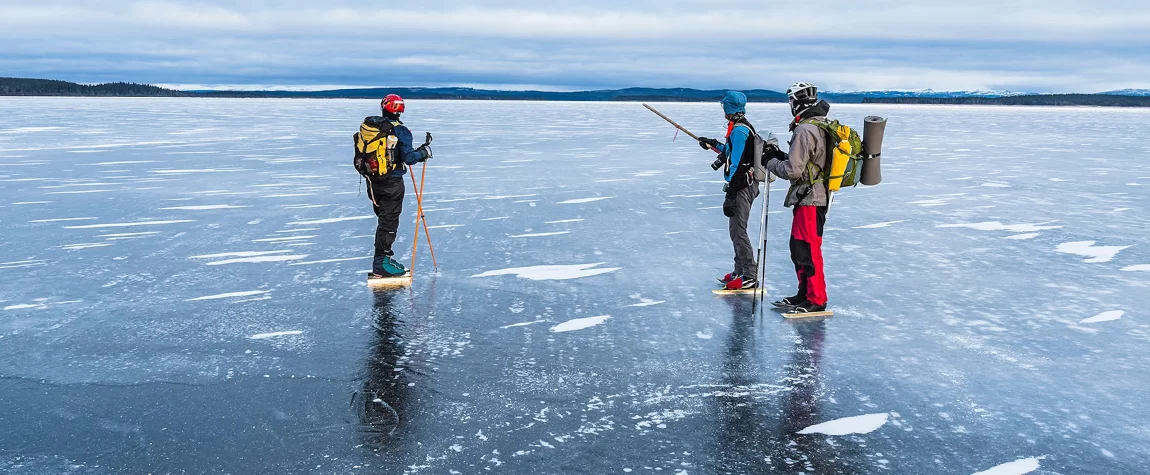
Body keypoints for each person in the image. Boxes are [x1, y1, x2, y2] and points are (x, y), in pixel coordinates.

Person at [763, 82, 831, 313]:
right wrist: (778, 155)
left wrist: (769, 161)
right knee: (799, 247)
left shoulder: (805, 129)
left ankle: (816, 299)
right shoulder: (818, 125)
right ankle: (805, 294)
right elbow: (805, 162)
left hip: (811, 198)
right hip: (810, 196)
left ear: (798, 103)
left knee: (809, 248)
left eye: (791, 101)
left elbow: (792, 171)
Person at [353, 94, 432, 278]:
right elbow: (409, 158)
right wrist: (424, 153)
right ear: (400, 110)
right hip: (392, 184)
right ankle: (381, 263)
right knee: (388, 223)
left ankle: (385, 259)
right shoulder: (401, 131)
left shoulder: (372, 127)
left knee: (384, 220)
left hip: (373, 183)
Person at [697, 91, 761, 290]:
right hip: (740, 185)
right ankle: (739, 271)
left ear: (729, 108)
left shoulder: (740, 131)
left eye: (725, 106)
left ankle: (749, 275)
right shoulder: (738, 128)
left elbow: (738, 164)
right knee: (735, 230)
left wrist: (731, 194)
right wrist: (713, 144)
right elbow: (730, 151)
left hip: (743, 186)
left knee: (738, 231)